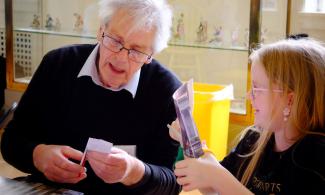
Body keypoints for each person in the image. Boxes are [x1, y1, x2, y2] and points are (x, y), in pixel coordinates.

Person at [1, 0, 182, 194]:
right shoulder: (57, 64)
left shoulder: (167, 90)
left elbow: (173, 182)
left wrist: (135, 172)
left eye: (137, 51)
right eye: (115, 41)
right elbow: (11, 141)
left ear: (150, 55)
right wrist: (37, 156)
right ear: (100, 31)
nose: (120, 58)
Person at [172, 37, 325, 194]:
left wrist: (217, 176)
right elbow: (213, 190)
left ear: (289, 99)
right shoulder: (253, 140)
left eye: (256, 88)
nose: (248, 96)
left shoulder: (316, 156)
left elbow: (220, 182)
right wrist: (190, 144)